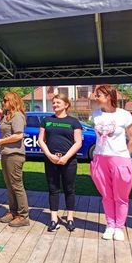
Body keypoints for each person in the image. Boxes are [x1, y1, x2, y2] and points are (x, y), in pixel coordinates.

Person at [90, 84, 132, 241]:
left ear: (109, 96)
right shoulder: (96, 114)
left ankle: (119, 227)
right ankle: (110, 225)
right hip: (100, 158)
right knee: (106, 196)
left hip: (120, 159)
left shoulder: (124, 115)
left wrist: (126, 156)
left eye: (99, 95)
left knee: (121, 196)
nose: (96, 98)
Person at [38, 94, 83, 232]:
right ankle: (54, 220)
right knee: (53, 189)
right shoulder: (47, 121)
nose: (55, 105)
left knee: (69, 189)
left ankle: (70, 219)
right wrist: (49, 155)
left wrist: (66, 157)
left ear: (66, 105)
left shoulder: (74, 122)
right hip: (51, 160)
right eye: (54, 103)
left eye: (58, 102)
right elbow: (41, 140)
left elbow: (78, 142)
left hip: (69, 161)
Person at [0, 92, 30, 227]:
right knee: (9, 185)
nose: (3, 102)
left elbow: (18, 135)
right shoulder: (7, 115)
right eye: (3, 100)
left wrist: (1, 141)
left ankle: (23, 216)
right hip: (6, 154)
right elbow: (2, 130)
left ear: (13, 101)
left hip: (14, 155)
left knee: (16, 186)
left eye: (6, 100)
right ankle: (13, 212)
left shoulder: (17, 116)